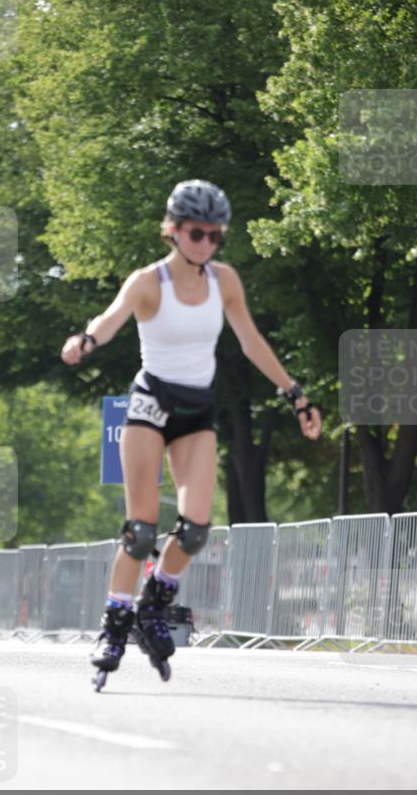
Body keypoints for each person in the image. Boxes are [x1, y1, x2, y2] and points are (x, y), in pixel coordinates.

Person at [61, 179, 322, 689]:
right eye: (196, 232)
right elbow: (110, 320)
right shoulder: (148, 282)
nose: (205, 243)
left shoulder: (225, 281)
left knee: (196, 530)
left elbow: (251, 341)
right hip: (150, 406)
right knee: (140, 532)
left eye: (214, 235)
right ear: (173, 230)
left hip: (196, 410)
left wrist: (296, 395)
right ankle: (114, 627)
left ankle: (153, 604)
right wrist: (86, 340)